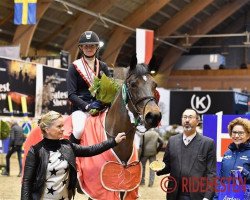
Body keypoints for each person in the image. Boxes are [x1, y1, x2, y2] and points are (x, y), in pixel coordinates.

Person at [21, 111, 126, 200]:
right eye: (59, 126)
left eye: (63, 125)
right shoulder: (35, 151)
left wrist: (113, 141)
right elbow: (27, 181)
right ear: (47, 129)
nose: (63, 129)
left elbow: (91, 150)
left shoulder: (67, 146)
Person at [155, 108, 216, 200]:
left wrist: (207, 197)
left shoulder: (207, 143)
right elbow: (168, 165)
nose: (187, 120)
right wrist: (158, 168)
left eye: (190, 117)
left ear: (197, 121)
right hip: (174, 194)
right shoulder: (172, 141)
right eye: (185, 117)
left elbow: (211, 173)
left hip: (197, 195)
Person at [66, 31, 110, 143]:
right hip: (80, 109)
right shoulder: (74, 67)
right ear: (81, 47)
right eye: (86, 46)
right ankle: (71, 155)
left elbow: (109, 90)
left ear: (97, 47)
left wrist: (102, 103)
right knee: (79, 130)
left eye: (92, 45)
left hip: (100, 107)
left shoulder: (103, 66)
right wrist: (86, 106)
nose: (89, 48)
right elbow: (71, 94)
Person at [214, 117, 250, 199]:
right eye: (234, 132)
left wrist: (245, 173)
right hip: (226, 196)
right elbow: (220, 180)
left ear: (248, 135)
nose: (237, 136)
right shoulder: (227, 153)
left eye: (241, 133)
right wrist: (216, 197)